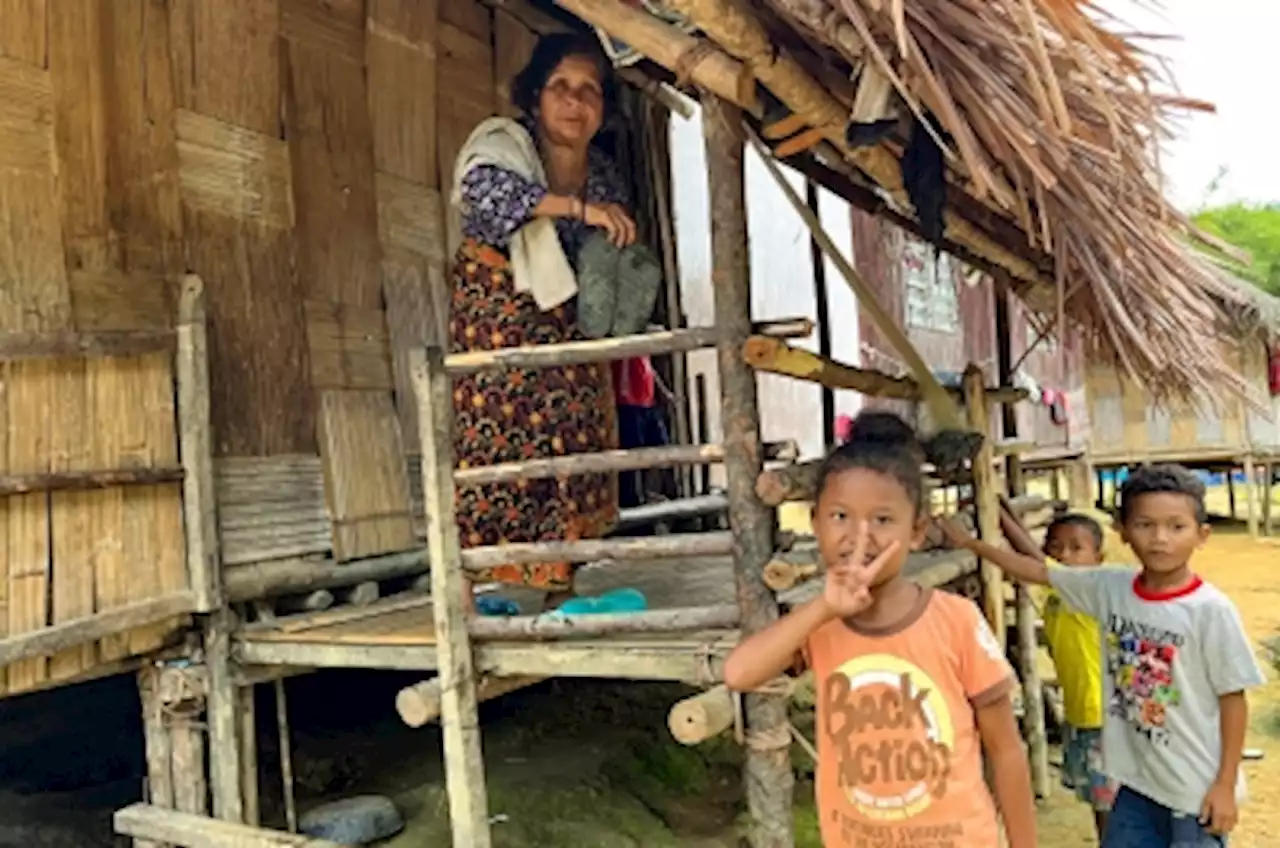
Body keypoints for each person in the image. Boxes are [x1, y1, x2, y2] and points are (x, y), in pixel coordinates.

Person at [722, 411, 1037, 848]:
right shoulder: (818, 626)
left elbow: (1005, 749)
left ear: (917, 532)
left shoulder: (956, 620)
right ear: (815, 523)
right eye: (840, 517)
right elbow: (738, 674)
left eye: (883, 520)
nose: (860, 536)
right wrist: (822, 609)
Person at [940, 464, 1266, 847]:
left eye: (1176, 527)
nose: (1160, 538)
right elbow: (1037, 570)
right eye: (1145, 525)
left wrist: (1225, 785)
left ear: (1202, 534)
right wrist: (973, 545)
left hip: (1194, 791)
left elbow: (1233, 700)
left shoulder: (1210, 611)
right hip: (1136, 784)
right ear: (1122, 532)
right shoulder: (1109, 588)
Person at [449, 34, 638, 610]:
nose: (576, 102)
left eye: (590, 92)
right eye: (561, 87)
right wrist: (576, 209)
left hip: (568, 321)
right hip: (500, 317)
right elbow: (483, 195)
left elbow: (603, 259)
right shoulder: (504, 142)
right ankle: (484, 589)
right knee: (503, 450)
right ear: (536, 95)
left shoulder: (602, 175)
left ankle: (563, 588)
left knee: (574, 443)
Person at [1013, 510, 1118, 840]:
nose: (1064, 555)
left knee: (1109, 805)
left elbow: (1037, 563)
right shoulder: (1059, 595)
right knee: (1098, 801)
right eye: (1056, 547)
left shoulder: (1089, 594)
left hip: (1101, 716)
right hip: (1079, 714)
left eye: (1076, 548)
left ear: (1098, 559)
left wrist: (993, 524)